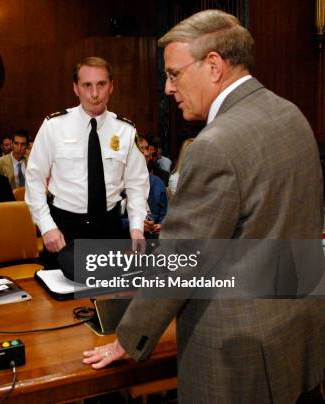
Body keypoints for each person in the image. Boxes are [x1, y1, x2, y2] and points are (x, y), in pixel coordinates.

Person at [83, 10, 324, 402]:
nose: (168, 88)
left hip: (237, 356)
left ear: (214, 66)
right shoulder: (291, 114)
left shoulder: (215, 145)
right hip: (299, 337)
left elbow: (183, 258)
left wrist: (128, 338)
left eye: (174, 74)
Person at [25, 56, 149, 279]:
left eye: (101, 84)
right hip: (64, 230)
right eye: (87, 85)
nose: (94, 93)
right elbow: (34, 179)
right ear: (76, 88)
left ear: (111, 86)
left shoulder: (126, 130)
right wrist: (46, 226)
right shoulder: (54, 126)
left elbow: (137, 185)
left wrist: (137, 227)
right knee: (62, 305)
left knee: (109, 298)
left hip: (109, 229)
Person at [137, 135, 167, 237]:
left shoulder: (157, 182)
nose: (146, 153)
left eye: (147, 149)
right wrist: (136, 223)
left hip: (153, 243)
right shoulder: (116, 183)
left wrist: (161, 224)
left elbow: (165, 215)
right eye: (141, 149)